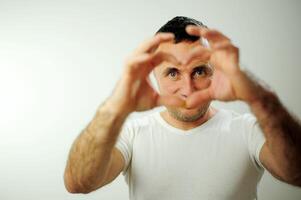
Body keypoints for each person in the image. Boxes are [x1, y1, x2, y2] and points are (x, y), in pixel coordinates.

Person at [63, 16, 301, 200]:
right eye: (173, 73)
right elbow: (79, 183)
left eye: (199, 71)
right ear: (154, 76)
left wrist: (260, 98)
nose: (188, 89)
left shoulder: (248, 130)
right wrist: (116, 106)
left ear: (215, 71)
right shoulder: (132, 134)